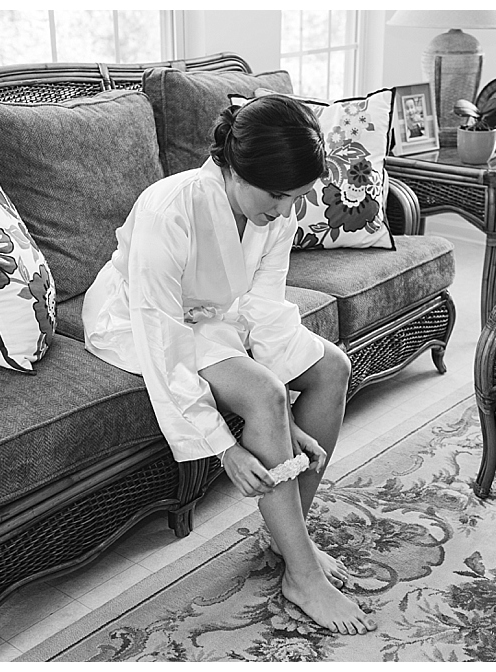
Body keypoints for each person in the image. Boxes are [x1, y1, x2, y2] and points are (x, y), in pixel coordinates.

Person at [82, 94, 376, 636]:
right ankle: (303, 573)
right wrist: (224, 446)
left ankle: (292, 539)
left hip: (211, 317)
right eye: (279, 196)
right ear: (236, 168)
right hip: (136, 321)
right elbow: (160, 335)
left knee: (332, 367)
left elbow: (263, 306)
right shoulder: (167, 207)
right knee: (262, 393)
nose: (286, 210)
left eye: (297, 197)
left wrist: (292, 408)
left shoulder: (273, 207)